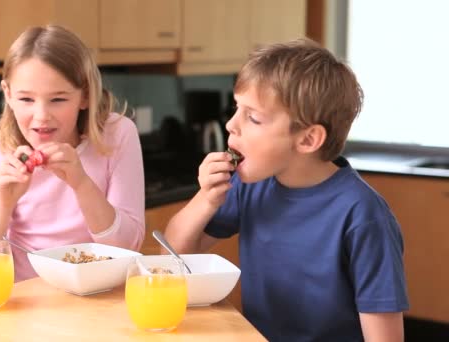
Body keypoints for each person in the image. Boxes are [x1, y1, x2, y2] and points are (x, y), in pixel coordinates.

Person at [164, 39, 409, 341]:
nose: (231, 124)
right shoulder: (249, 186)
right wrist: (205, 199)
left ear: (307, 139)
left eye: (253, 117)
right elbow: (175, 253)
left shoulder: (363, 216)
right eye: (236, 109)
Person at [0, 25, 145, 282]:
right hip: (26, 301)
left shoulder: (117, 135)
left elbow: (128, 247)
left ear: (85, 96)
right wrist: (3, 204)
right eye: (26, 99)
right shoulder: (1, 154)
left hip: (98, 296)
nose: (41, 116)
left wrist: (81, 183)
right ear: (8, 95)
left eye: (58, 100)